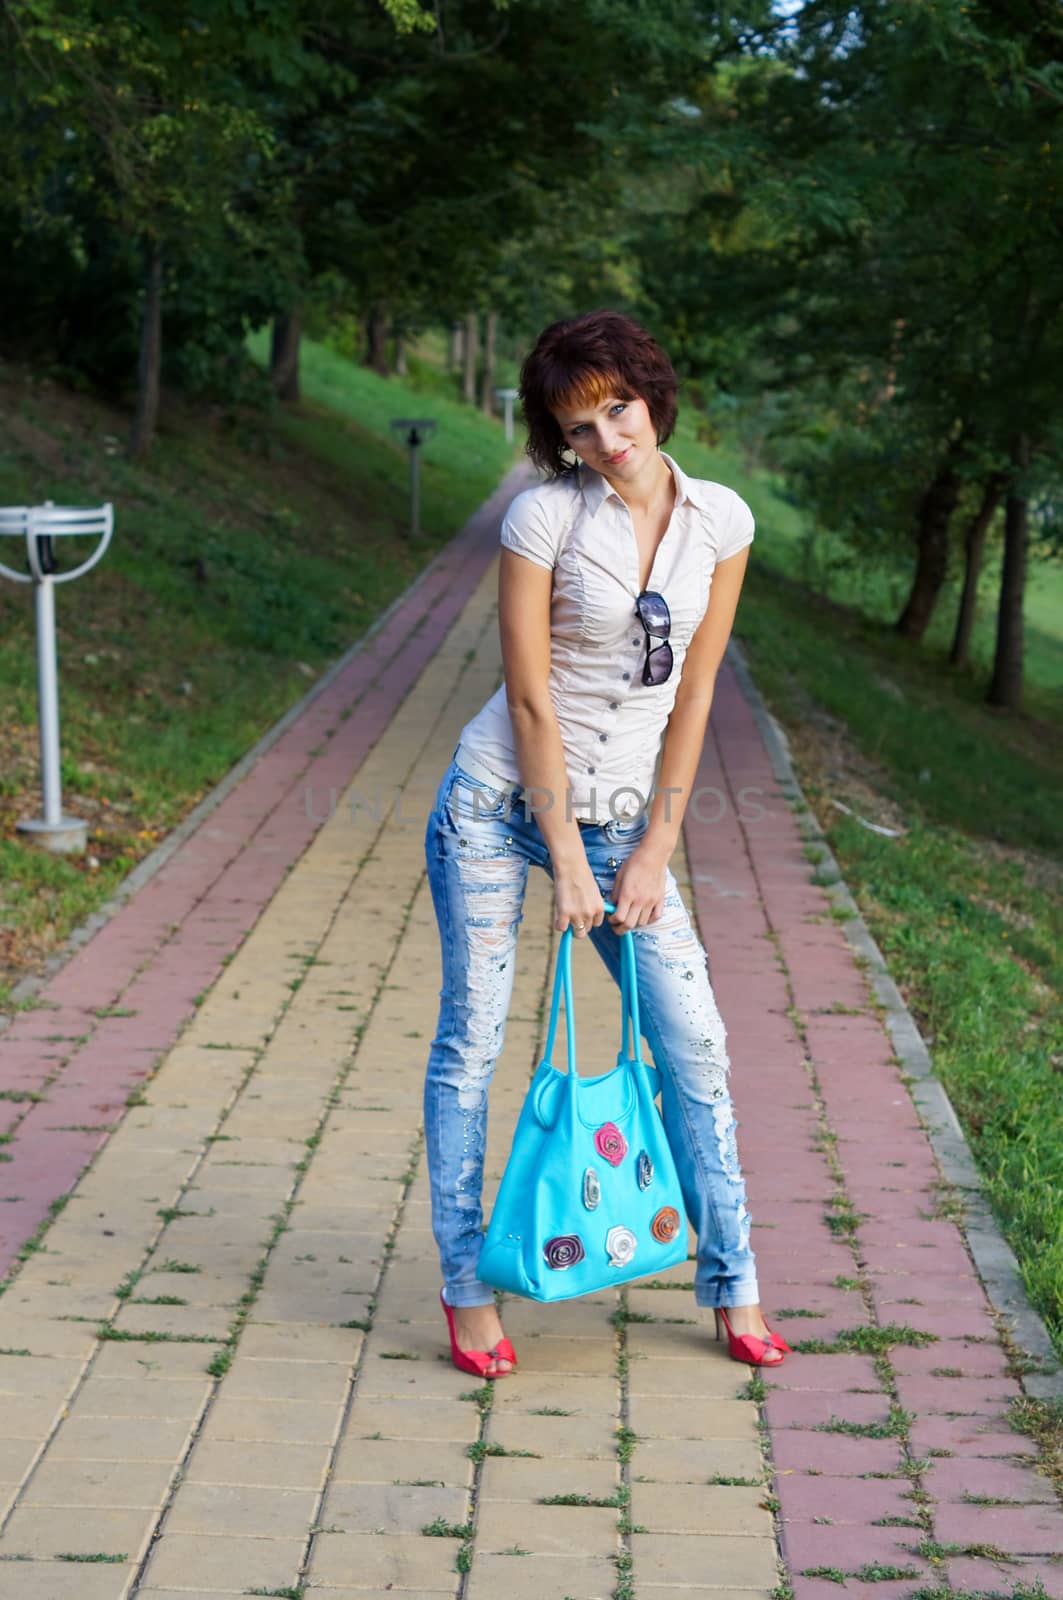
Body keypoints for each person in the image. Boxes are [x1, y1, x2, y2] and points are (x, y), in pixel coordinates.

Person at [424, 309, 789, 1377]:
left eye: (616, 408)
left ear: (649, 396)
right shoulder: (541, 520)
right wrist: (567, 854)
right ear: (557, 439)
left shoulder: (720, 522)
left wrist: (651, 847)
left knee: (696, 1045)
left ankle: (735, 1284)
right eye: (578, 425)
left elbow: (698, 688)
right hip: (499, 804)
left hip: (629, 816)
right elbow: (531, 701)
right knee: (471, 1045)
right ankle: (465, 1288)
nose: (606, 438)